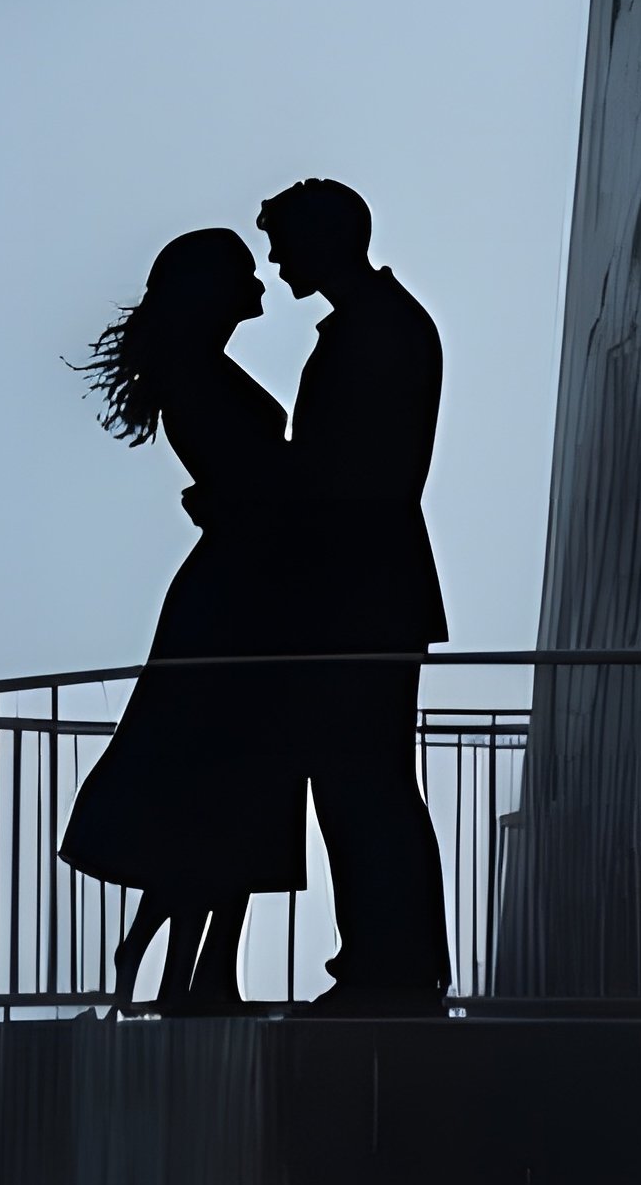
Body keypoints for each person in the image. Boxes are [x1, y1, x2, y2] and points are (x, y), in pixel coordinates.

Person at [59, 228, 306, 1008]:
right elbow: (256, 480)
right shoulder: (198, 377)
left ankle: (192, 971)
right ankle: (193, 977)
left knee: (233, 785)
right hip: (238, 595)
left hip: (246, 588)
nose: (259, 278)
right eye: (242, 270)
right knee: (227, 783)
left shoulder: (200, 372)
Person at [258, 178, 451, 1008]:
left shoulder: (375, 332)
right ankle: (388, 959)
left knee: (362, 781)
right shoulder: (383, 325)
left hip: (359, 593)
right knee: (365, 781)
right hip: (367, 590)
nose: (274, 259)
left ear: (326, 240)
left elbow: (354, 472)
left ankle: (389, 964)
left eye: (285, 241)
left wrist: (270, 486)